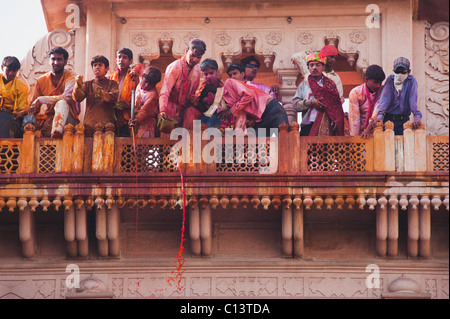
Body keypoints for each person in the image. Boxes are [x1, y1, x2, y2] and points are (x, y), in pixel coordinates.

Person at [213, 63, 288, 137]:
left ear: (242, 74)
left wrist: (232, 110)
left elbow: (248, 96)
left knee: (284, 140)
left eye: (235, 74)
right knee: (259, 146)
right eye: (230, 75)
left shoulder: (230, 82)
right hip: (260, 118)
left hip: (272, 110)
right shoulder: (241, 88)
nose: (232, 77)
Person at [28, 46, 78, 138]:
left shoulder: (71, 76)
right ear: (49, 61)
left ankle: (56, 133)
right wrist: (24, 113)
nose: (56, 63)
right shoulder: (41, 81)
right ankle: (53, 134)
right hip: (49, 121)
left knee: (62, 103)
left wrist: (41, 99)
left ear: (65, 61)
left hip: (69, 121)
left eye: (59, 59)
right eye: (53, 59)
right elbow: (34, 107)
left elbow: (66, 97)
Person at [291, 52, 345, 136]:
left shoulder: (330, 85)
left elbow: (336, 107)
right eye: (311, 65)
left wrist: (336, 119)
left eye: (318, 65)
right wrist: (311, 103)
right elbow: (295, 104)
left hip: (327, 127)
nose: (314, 68)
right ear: (308, 68)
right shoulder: (304, 85)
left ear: (323, 67)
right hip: (307, 127)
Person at [158, 38, 206, 131]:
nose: (195, 60)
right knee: (168, 139)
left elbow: (192, 94)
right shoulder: (175, 67)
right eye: (192, 55)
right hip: (170, 108)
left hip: (183, 111)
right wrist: (162, 110)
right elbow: (165, 91)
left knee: (191, 114)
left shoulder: (197, 70)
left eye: (199, 57)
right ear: (187, 51)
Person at [72, 55, 119, 137]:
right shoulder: (87, 84)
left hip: (107, 126)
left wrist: (101, 93)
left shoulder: (112, 84)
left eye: (100, 65)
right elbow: (78, 98)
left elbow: (114, 97)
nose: (97, 67)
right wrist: (78, 86)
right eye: (95, 65)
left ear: (107, 69)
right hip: (89, 126)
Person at [374, 57, 422, 135]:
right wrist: (380, 117)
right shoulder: (391, 80)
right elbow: (385, 99)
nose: (400, 74)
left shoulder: (411, 81)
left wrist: (417, 117)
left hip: (404, 121)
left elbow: (412, 99)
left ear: (408, 72)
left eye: (403, 72)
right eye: (397, 71)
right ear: (394, 71)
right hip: (388, 120)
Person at [348, 64, 386, 137]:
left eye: (380, 83)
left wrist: (368, 129)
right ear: (366, 79)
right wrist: (356, 140)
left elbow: (377, 111)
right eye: (375, 82)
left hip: (377, 131)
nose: (378, 85)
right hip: (361, 134)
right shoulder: (356, 93)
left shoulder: (382, 91)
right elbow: (354, 120)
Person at [110, 48, 138, 137]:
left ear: (130, 61)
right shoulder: (111, 77)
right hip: (113, 114)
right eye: (119, 57)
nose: (121, 60)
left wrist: (128, 105)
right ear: (116, 60)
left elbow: (138, 97)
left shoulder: (134, 77)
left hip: (129, 116)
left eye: (125, 57)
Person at [129, 66, 162, 138]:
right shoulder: (140, 77)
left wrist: (136, 120)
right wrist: (134, 70)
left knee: (143, 141)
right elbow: (139, 66)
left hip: (147, 122)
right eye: (146, 81)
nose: (146, 85)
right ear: (142, 77)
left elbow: (145, 111)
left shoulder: (153, 95)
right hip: (134, 118)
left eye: (151, 84)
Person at [0, 56, 29, 138]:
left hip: (10, 117)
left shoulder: (21, 87)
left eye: (14, 71)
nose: (11, 73)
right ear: (2, 67)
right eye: (8, 70)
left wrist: (20, 113)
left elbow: (22, 109)